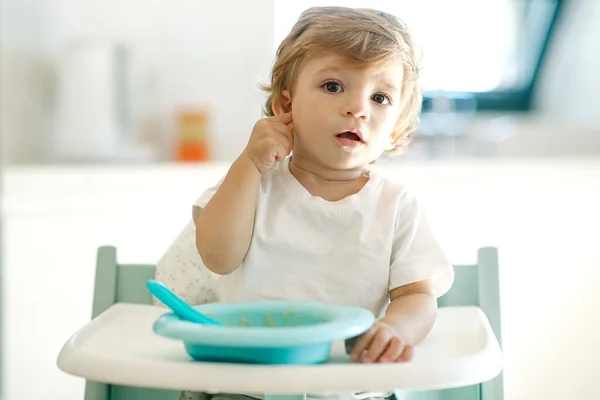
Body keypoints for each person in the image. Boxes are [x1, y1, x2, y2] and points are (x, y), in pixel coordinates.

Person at [173, 6, 454, 400]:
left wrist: (395, 329)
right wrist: (249, 165)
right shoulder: (253, 182)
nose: (358, 109)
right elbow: (217, 257)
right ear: (285, 106)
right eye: (334, 86)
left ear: (397, 129)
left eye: (379, 97)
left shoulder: (396, 206)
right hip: (243, 385)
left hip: (347, 388)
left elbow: (417, 296)